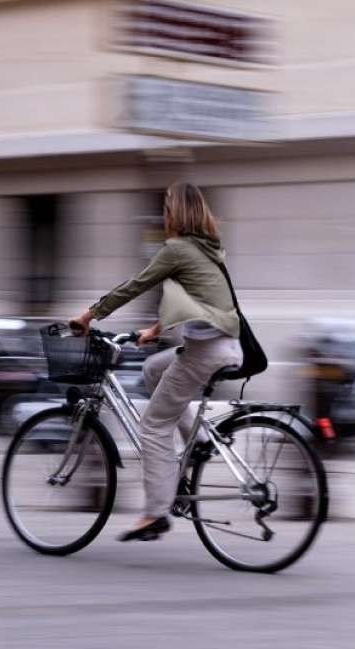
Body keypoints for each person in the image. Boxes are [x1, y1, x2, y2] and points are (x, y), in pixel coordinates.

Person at [69, 182, 242, 542]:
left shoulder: (177, 249)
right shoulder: (207, 248)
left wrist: (89, 315)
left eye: (166, 208)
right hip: (224, 345)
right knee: (153, 370)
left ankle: (154, 513)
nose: (163, 215)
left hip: (204, 352)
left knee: (153, 425)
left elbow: (136, 284)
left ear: (174, 214)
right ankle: (199, 440)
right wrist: (156, 328)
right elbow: (199, 296)